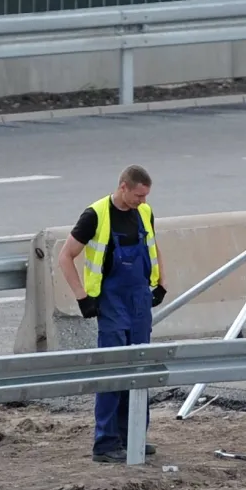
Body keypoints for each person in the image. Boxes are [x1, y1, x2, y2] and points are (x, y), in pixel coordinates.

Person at [57, 165, 169, 463]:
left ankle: (133, 436)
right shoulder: (95, 215)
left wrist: (160, 283)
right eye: (137, 195)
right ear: (123, 187)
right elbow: (65, 256)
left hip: (139, 301)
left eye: (145, 196)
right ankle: (106, 443)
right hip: (111, 302)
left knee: (140, 368)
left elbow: (153, 248)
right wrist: (83, 298)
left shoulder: (145, 212)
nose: (142, 202)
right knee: (113, 371)